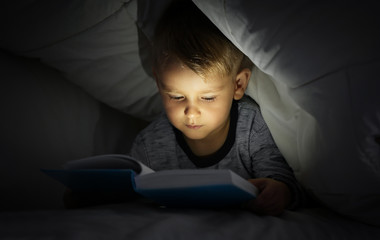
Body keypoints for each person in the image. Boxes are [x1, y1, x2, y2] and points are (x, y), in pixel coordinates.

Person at [129, 0, 304, 216]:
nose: (191, 112)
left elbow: (283, 180)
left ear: (238, 85)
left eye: (208, 98)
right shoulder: (150, 145)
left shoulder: (251, 128)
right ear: (159, 83)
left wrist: (279, 191)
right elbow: (129, 191)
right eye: (176, 96)